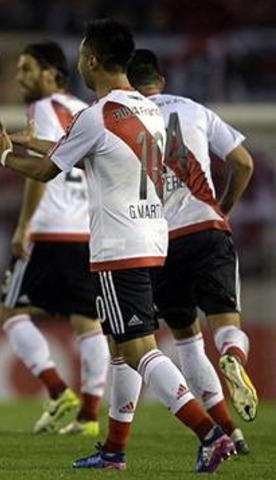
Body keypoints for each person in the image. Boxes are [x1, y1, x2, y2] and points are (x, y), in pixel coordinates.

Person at [0, 19, 235, 472]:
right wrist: (35, 141)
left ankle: (209, 433)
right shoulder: (147, 109)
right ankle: (114, 450)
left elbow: (50, 170)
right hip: (154, 239)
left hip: (118, 246)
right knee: (120, 348)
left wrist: (7, 156)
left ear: (91, 60)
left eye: (81, 57)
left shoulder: (96, 114)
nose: (79, 66)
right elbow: (93, 150)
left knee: (137, 350)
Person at [128, 48, 257, 453]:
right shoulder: (194, 109)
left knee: (187, 342)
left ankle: (228, 431)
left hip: (160, 242)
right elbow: (244, 163)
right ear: (160, 80)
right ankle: (233, 354)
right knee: (226, 324)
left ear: (128, 84)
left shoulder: (123, 118)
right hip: (206, 228)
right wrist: (225, 206)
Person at [0, 41, 108, 437]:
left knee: (10, 314)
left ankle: (59, 392)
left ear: (50, 73)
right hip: (86, 230)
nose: (19, 76)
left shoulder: (43, 110)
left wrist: (23, 225)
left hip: (49, 229)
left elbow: (43, 170)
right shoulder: (84, 110)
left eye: (26, 69)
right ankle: (90, 416)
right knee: (87, 321)